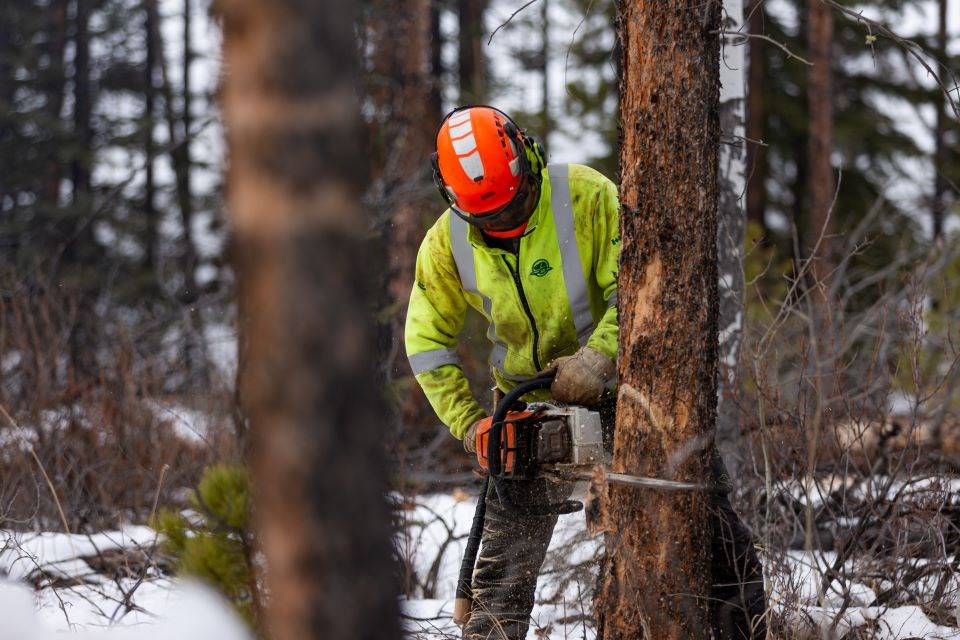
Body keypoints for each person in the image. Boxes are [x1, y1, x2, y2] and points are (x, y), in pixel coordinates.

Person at [405, 105, 765, 639]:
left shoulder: (586, 197)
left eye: (518, 204)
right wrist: (471, 423)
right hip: (525, 409)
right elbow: (426, 341)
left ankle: (746, 630)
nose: (511, 222)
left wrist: (600, 356)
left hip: (630, 395)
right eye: (494, 218)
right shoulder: (446, 244)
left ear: (529, 157)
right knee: (499, 589)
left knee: (705, 516)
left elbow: (645, 289)